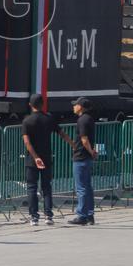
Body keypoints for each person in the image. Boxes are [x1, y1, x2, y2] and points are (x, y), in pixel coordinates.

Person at [22, 93, 77, 226]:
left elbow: (27, 143)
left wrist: (35, 158)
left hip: (32, 159)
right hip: (47, 157)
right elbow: (62, 134)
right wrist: (73, 145)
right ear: (43, 104)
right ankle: (48, 215)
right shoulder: (49, 119)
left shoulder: (27, 121)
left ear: (30, 105)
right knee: (46, 187)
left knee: (32, 187)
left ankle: (34, 217)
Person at [69, 97, 97, 226]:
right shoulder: (90, 119)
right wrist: (92, 152)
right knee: (87, 186)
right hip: (87, 157)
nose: (74, 107)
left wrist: (90, 151)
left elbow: (84, 139)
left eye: (76, 105)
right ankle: (90, 214)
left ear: (81, 107)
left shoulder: (82, 120)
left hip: (81, 156)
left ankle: (82, 215)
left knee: (81, 187)